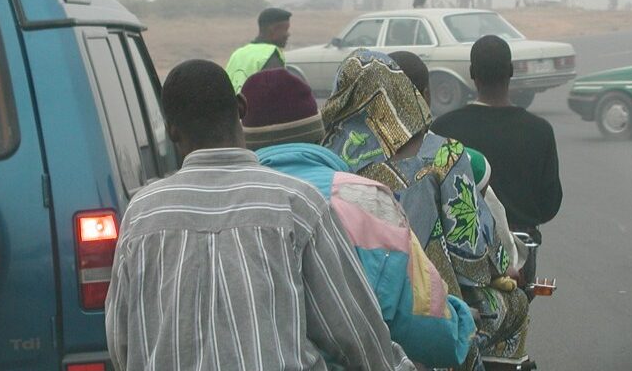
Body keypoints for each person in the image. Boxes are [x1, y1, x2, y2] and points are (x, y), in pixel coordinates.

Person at [104, 59, 414, 371]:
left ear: (171, 130)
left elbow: (121, 342)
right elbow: (355, 333)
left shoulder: (141, 216)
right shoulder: (296, 205)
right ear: (241, 108)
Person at [239, 68, 476, 368]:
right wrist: (460, 327)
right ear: (317, 131)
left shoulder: (222, 205)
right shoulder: (363, 198)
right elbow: (420, 322)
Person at [322, 50, 527, 370]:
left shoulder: (324, 159)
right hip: (424, 315)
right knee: (513, 305)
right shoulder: (443, 155)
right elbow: (471, 256)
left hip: (341, 316)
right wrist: (502, 270)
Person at [429, 35, 562, 294]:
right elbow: (550, 205)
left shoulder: (444, 129)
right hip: (521, 252)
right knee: (515, 317)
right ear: (511, 72)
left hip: (459, 253)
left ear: (471, 73)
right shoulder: (540, 131)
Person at [225, 8, 291, 93]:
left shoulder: (238, 54)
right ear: (273, 30)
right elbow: (277, 93)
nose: (288, 34)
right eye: (286, 30)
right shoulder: (270, 54)